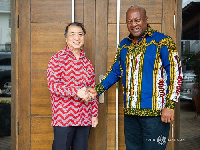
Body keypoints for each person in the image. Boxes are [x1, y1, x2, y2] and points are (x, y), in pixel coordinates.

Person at [87, 5, 182, 150]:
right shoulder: (124, 45)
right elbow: (115, 72)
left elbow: (176, 74)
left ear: (146, 20)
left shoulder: (162, 42)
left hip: (155, 114)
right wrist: (97, 90)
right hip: (131, 114)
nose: (133, 24)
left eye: (137, 20)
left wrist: (170, 106)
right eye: (129, 21)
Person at [47, 22, 98, 150]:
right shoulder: (57, 59)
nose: (77, 38)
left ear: (83, 38)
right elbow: (53, 86)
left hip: (84, 118)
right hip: (64, 118)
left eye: (80, 34)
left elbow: (93, 90)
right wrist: (76, 92)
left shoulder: (88, 63)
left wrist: (94, 114)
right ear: (66, 38)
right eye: (73, 34)